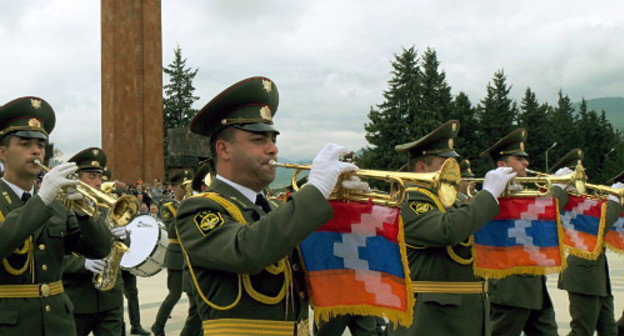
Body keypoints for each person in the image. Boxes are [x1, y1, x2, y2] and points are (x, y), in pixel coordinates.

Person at [175, 76, 360, 335]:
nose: (273, 149)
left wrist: (341, 207)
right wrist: (315, 189)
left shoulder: (271, 211)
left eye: (273, 139)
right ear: (224, 149)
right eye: (258, 139)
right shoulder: (199, 209)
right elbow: (248, 251)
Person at [386, 120, 516, 336]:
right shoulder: (410, 201)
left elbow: (478, 229)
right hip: (431, 318)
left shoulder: (453, 201)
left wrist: (503, 200)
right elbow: (446, 231)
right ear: (421, 168)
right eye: (445, 163)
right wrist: (489, 195)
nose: (453, 169)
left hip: (467, 312)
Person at [0, 96, 112, 335]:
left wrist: (85, 213)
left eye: (41, 145)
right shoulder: (46, 200)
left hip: (59, 324)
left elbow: (100, 249)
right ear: (2, 152)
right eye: (25, 143)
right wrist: (42, 198)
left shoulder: (56, 204)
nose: (36, 151)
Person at [484, 129, 570, 336]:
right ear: (501, 165)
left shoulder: (522, 190)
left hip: (534, 286)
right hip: (511, 289)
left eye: (526, 158)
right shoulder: (497, 195)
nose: (526, 163)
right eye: (519, 158)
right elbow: (539, 213)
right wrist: (558, 187)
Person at [62, 147, 129, 336]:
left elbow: (124, 245)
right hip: (77, 298)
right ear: (76, 178)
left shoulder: (108, 205)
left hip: (110, 298)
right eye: (91, 177)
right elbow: (52, 255)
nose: (99, 182)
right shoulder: (62, 207)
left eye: (100, 177)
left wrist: (125, 234)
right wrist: (82, 264)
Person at [557, 149, 623, 336]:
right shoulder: (570, 202)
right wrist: (614, 200)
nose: (585, 176)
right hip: (583, 276)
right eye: (579, 173)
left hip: (598, 276)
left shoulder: (584, 199)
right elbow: (600, 227)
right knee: (582, 331)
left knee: (609, 331)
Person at [151, 170, 193, 336]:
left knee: (193, 297)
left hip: (191, 255)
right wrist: (186, 207)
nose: (185, 189)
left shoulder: (194, 203)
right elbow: (173, 230)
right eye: (182, 186)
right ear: (174, 188)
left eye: (186, 186)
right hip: (176, 256)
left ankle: (195, 329)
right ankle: (158, 325)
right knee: (174, 294)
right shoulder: (167, 207)